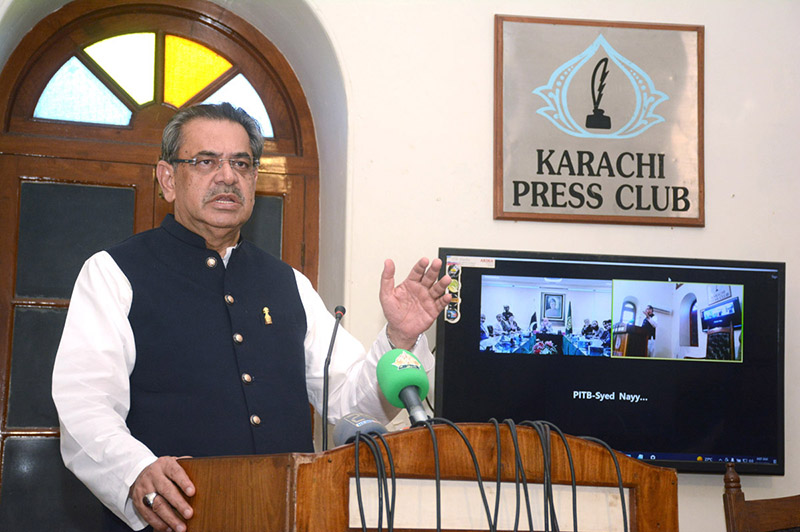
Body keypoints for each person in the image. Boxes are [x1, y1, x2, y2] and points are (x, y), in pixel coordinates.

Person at [51, 103, 452, 532]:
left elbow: (351, 401)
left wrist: (400, 337)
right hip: (175, 520)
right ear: (168, 179)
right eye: (206, 161)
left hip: (287, 516)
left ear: (254, 180)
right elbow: (84, 405)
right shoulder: (113, 272)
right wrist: (134, 470)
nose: (227, 176)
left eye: (241, 163)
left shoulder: (288, 283)